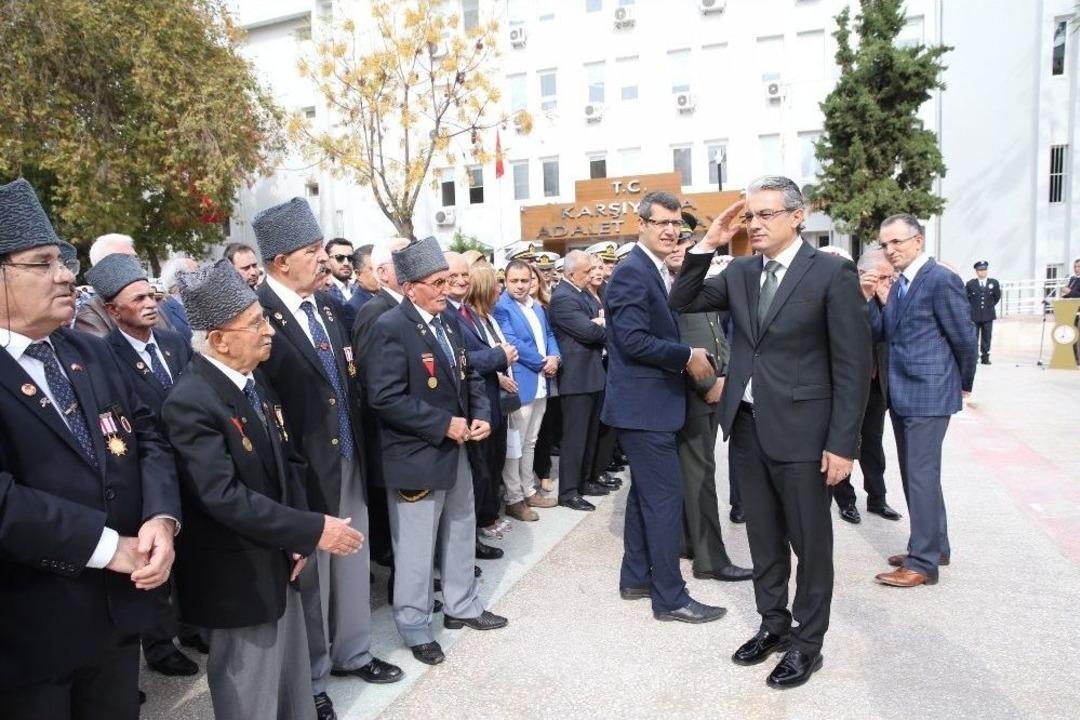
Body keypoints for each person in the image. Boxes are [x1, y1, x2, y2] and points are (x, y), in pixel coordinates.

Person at [669, 177, 871, 689]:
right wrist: (710, 241)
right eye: (749, 216)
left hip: (806, 435)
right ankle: (773, 625)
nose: (754, 224)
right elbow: (683, 298)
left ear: (796, 216)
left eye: (765, 214)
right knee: (763, 538)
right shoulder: (738, 271)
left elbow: (853, 366)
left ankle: (808, 644)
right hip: (747, 426)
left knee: (810, 543)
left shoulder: (832, 271)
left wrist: (842, 444)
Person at [0, 178, 180, 720]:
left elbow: (147, 436)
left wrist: (161, 519)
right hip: (29, 632)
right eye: (42, 262)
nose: (65, 275)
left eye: (64, 260)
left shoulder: (90, 351)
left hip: (116, 618)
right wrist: (107, 547)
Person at [161, 259, 363, 720]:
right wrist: (311, 529)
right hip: (238, 578)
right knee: (250, 695)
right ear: (218, 339)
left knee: (291, 687)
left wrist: (295, 540)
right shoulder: (191, 401)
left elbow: (289, 462)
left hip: (278, 559)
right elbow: (223, 497)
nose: (268, 330)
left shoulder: (255, 381)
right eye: (254, 323)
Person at [253, 198, 401, 720]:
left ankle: (353, 652)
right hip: (301, 468)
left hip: (348, 456)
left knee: (353, 560)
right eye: (311, 250)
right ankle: (313, 678)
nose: (323, 259)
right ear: (279, 262)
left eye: (322, 248)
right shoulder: (257, 315)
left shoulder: (328, 307)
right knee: (312, 580)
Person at [367, 237, 508, 666]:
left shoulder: (447, 322)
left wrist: (481, 413)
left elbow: (467, 378)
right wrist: (443, 424)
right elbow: (384, 397)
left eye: (448, 280)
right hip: (417, 455)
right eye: (437, 282)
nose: (446, 289)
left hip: (458, 447)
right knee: (414, 546)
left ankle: (462, 606)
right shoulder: (389, 326)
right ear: (410, 287)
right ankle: (413, 626)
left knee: (462, 526)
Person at [601, 190, 726, 628]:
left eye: (677, 225)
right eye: (663, 223)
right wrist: (686, 354)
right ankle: (670, 597)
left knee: (644, 496)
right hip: (643, 407)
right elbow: (632, 340)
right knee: (664, 499)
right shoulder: (633, 273)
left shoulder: (649, 269)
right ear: (642, 224)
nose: (672, 231)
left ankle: (636, 577)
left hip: (650, 406)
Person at [85, 253, 202, 676]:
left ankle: (192, 625)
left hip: (189, 464)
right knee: (153, 559)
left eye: (151, 295)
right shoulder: (103, 355)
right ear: (114, 310)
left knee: (190, 552)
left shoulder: (173, 343)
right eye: (138, 300)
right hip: (144, 471)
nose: (151, 304)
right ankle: (159, 644)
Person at [870, 213, 977, 588]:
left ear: (918, 241)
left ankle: (923, 562)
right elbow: (883, 332)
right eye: (884, 244)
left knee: (920, 476)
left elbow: (964, 338)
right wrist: (871, 299)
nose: (890, 250)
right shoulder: (901, 285)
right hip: (902, 393)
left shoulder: (939, 279)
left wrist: (963, 384)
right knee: (921, 476)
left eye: (897, 242)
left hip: (929, 393)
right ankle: (935, 546)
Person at [664, 232, 752, 584]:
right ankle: (710, 559)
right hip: (690, 392)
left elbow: (716, 333)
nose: (676, 252)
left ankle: (689, 543)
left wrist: (726, 375)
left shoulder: (698, 284)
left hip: (714, 386)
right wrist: (707, 383)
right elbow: (676, 343)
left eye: (683, 247)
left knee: (697, 474)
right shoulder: (665, 287)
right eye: (670, 246)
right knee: (700, 477)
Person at [444, 251, 517, 560]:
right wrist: (498, 357)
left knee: (483, 474)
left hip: (484, 405)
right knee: (471, 480)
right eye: (453, 276)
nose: (461, 281)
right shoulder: (444, 313)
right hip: (463, 410)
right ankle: (465, 546)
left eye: (465, 275)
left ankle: (471, 540)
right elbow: (457, 361)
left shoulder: (466, 311)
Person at [494, 260, 561, 521]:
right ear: (506, 281)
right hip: (523, 381)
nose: (521, 286)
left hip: (541, 382)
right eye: (515, 281)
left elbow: (549, 335)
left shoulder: (537, 307)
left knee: (531, 442)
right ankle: (514, 498)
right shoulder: (502, 307)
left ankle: (528, 489)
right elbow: (512, 342)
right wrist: (543, 362)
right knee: (516, 444)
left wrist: (555, 357)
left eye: (525, 280)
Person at [547, 250, 612, 512]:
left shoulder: (581, 293)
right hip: (576, 377)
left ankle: (585, 481)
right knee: (575, 438)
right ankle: (569, 491)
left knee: (590, 434)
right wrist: (600, 324)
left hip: (592, 373)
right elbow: (587, 331)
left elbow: (597, 325)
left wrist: (600, 322)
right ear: (571, 273)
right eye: (586, 271)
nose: (591, 275)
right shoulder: (563, 297)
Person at [464, 263, 518, 539]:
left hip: (495, 401)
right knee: (483, 466)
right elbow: (466, 359)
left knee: (496, 460)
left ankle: (490, 513)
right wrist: (499, 363)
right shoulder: (464, 317)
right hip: (481, 399)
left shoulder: (487, 317)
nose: (500, 289)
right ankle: (484, 519)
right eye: (496, 283)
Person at [75, 233, 173, 337]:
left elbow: (174, 343)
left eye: (135, 258)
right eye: (126, 258)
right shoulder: (91, 314)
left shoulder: (151, 300)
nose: (135, 264)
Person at [965, 261, 1001, 365]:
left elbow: (997, 296)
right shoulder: (971, 284)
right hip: (974, 315)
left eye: (984, 269)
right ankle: (974, 357)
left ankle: (985, 357)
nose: (983, 272)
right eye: (980, 270)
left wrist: (989, 306)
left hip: (988, 315)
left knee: (987, 337)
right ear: (976, 272)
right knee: (973, 337)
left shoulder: (993, 283)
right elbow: (966, 298)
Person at [157, 255, 197, 342]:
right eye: (197, 272)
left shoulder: (203, 304)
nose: (204, 276)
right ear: (181, 277)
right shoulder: (162, 311)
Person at [323, 238, 360, 331]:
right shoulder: (321, 290)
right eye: (339, 257)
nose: (346, 263)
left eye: (350, 258)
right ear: (327, 260)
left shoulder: (360, 286)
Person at [345, 245, 379, 320]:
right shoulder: (354, 307)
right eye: (372, 269)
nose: (379, 273)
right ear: (358, 274)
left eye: (380, 268)